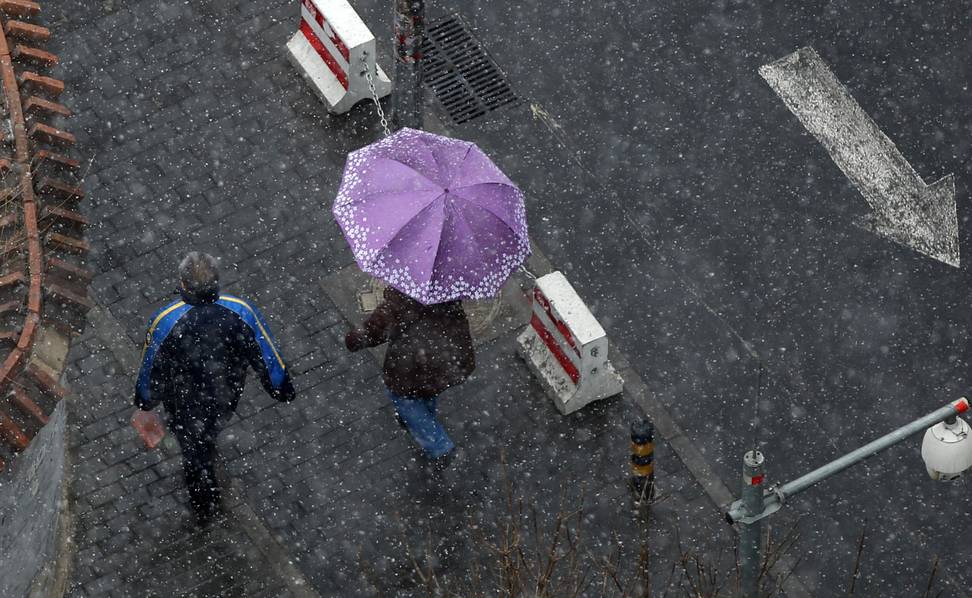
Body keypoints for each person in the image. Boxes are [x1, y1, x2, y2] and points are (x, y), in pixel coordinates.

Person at [133, 252, 295, 525]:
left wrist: (145, 402)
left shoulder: (166, 321)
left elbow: (151, 368)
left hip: (184, 400)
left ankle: (204, 504)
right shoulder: (240, 311)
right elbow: (267, 355)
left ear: (183, 284)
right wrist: (281, 388)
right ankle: (206, 451)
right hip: (225, 393)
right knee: (208, 431)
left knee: (194, 452)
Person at [345, 286, 475, 463]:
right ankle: (423, 418)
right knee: (428, 390)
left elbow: (373, 331)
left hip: (414, 366)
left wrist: (353, 339)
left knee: (405, 398)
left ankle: (440, 447)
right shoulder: (448, 289)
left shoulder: (398, 303)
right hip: (447, 357)